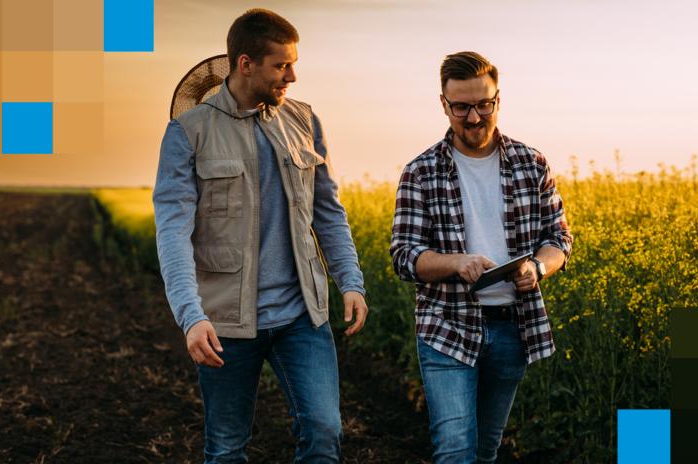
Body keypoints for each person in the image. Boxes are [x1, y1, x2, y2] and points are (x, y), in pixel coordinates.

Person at [153, 9, 369, 463]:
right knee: (227, 449)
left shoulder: (305, 121)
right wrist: (191, 317)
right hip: (225, 324)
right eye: (281, 64)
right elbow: (172, 232)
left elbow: (327, 211)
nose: (293, 74)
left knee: (324, 434)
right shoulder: (187, 133)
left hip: (301, 316)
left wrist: (350, 281)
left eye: (293, 62)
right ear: (245, 63)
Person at [389, 51, 573, 463]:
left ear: (497, 99)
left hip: (512, 329)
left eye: (482, 105)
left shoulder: (531, 163)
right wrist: (455, 263)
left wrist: (537, 267)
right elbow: (404, 256)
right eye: (461, 107)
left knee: (486, 451)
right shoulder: (421, 172)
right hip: (447, 328)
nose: (473, 118)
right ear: (443, 104)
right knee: (455, 452)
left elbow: (559, 238)